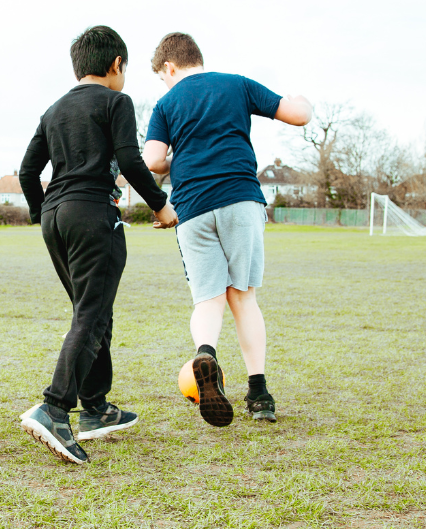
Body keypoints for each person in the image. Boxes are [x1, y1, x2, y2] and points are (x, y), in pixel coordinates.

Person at [18, 26, 179, 464]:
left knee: (92, 311)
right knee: (91, 312)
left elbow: (27, 172)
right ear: (116, 65)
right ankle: (54, 407)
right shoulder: (116, 101)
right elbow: (130, 159)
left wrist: (43, 213)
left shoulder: (53, 111)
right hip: (93, 213)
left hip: (56, 217)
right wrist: (161, 206)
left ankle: (95, 408)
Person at [141, 32, 312, 427]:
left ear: (169, 67)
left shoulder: (166, 103)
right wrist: (305, 102)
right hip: (239, 198)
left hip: (193, 207)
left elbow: (151, 159)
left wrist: (177, 153)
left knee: (208, 299)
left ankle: (206, 353)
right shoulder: (237, 84)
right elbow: (297, 114)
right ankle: (259, 392)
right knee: (243, 298)